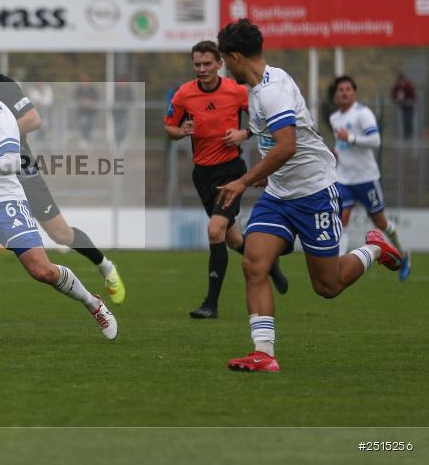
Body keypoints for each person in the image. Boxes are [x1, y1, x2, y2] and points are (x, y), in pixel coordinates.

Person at [215, 19, 402, 373]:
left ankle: (375, 247)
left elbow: (287, 146)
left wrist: (243, 180)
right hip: (279, 195)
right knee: (254, 263)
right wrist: (265, 176)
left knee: (327, 286)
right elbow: (278, 144)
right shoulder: (259, 89)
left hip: (315, 193)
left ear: (235, 56)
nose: (225, 68)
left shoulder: (273, 90)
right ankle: (264, 353)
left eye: (225, 60)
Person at [0, 33, 125, 320]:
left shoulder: (3, 88)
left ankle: (105, 266)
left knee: (59, 235)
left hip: (18, 171)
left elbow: (34, 119)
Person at [163, 41, 287, 319]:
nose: (202, 69)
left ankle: (211, 305)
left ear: (220, 63)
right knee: (231, 238)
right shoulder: (184, 94)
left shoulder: (237, 91)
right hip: (202, 174)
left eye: (207, 64)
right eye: (197, 64)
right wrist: (181, 131)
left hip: (231, 170)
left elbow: (264, 119)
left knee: (214, 230)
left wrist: (243, 134)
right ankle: (270, 265)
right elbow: (168, 128)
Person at [330, 75, 410, 280]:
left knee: (380, 222)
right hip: (344, 179)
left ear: (354, 93)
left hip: (366, 178)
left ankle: (403, 253)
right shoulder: (335, 118)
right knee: (341, 221)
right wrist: (336, 151)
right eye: (340, 90)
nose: (344, 92)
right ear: (336, 95)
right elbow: (341, 144)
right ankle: (339, 264)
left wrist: (351, 138)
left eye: (348, 89)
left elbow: (375, 140)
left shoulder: (363, 113)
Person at [390, 72, 416, 140]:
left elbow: (412, 95)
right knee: (402, 120)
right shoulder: (397, 86)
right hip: (401, 106)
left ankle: (408, 135)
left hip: (409, 106)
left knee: (408, 120)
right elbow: (394, 94)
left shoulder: (408, 85)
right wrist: (397, 99)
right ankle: (402, 135)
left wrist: (407, 100)